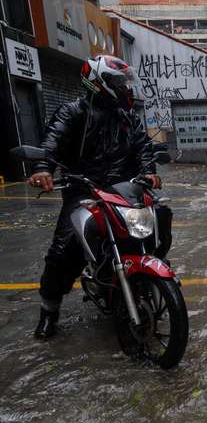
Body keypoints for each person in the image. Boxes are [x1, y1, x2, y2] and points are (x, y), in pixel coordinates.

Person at [27, 55, 163, 340]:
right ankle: (49, 309)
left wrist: (149, 172)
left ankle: (144, 279)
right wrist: (42, 168)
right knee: (63, 250)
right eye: (119, 82)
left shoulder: (128, 118)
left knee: (159, 219)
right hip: (84, 190)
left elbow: (143, 149)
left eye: (125, 82)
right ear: (99, 82)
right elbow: (52, 141)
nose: (125, 87)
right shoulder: (72, 113)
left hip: (124, 191)